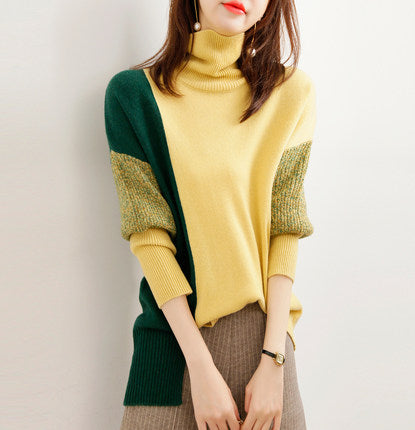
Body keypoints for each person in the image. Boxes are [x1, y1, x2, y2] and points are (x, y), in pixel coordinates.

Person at [104, 0, 317, 429]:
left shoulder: (291, 93)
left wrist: (274, 360)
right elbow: (148, 237)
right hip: (171, 348)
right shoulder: (134, 95)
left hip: (265, 352)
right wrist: (200, 369)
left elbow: (285, 230)